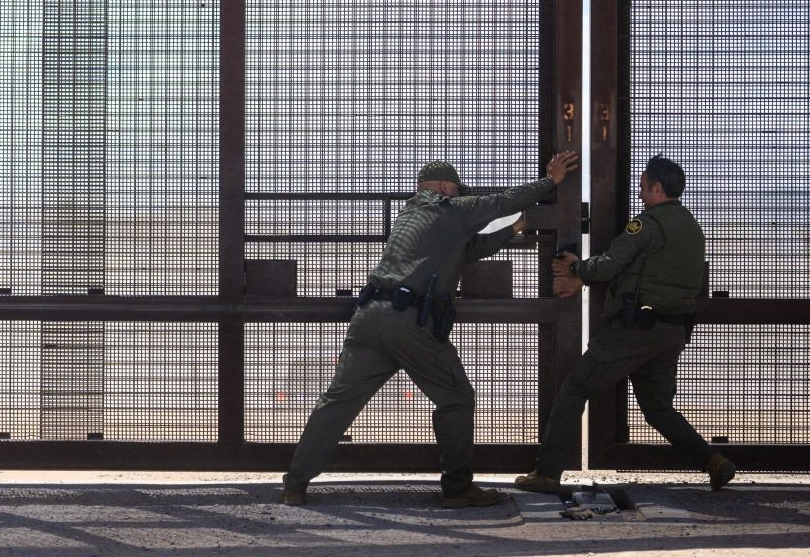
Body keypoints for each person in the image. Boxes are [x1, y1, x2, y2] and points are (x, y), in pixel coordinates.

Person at [282, 150, 580, 508]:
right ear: (443, 186)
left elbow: (468, 251)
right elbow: (502, 201)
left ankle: (295, 485)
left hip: (369, 318)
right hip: (410, 324)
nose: (460, 196)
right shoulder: (448, 208)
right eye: (457, 190)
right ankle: (458, 488)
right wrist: (552, 181)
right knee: (456, 398)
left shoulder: (410, 216)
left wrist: (515, 229)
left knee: (336, 405)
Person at [515, 154, 735, 495]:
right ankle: (713, 462)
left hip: (635, 331)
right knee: (658, 408)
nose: (640, 191)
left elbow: (608, 266)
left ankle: (547, 473)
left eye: (644, 185)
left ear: (658, 188)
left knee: (574, 389)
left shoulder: (646, 224)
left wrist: (576, 269)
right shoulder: (693, 227)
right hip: (672, 332)